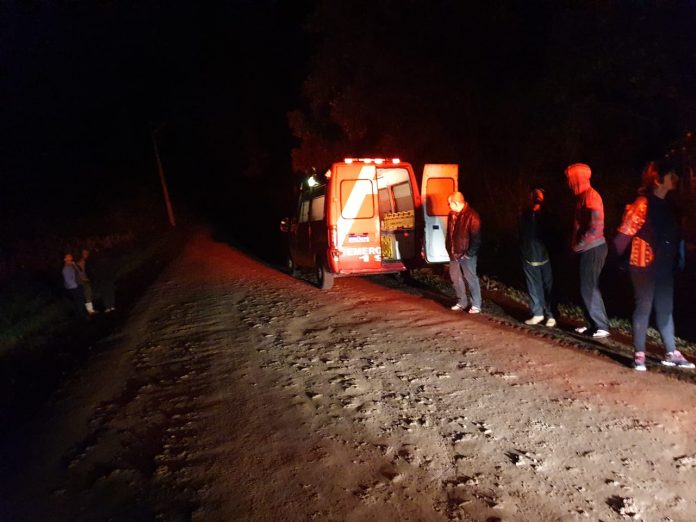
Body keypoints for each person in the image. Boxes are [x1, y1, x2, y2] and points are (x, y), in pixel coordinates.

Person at [614, 162, 694, 371]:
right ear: (658, 180)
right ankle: (639, 354)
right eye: (671, 175)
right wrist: (617, 261)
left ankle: (671, 352)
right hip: (643, 264)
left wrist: (679, 258)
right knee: (644, 306)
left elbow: (676, 236)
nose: (675, 178)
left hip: (665, 266)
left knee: (665, 309)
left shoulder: (671, 206)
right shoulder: (643, 203)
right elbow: (624, 234)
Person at [564, 163, 610, 338]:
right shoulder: (581, 197)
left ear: (577, 179)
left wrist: (579, 245)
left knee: (588, 286)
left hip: (593, 247)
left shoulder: (591, 196)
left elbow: (595, 227)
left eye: (570, 179)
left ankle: (601, 325)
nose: (568, 183)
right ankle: (592, 324)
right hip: (586, 248)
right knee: (584, 286)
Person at [519, 187, 556, 327]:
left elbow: (553, 235)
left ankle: (551, 314)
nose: (536, 200)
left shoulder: (547, 216)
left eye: (539, 197)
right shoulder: (525, 215)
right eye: (535, 196)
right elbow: (521, 234)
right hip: (529, 256)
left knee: (548, 287)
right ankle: (537, 313)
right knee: (533, 287)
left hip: (545, 256)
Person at [446, 191, 482, 314]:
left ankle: (476, 304)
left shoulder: (472, 216)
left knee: (471, 278)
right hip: (454, 253)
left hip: (466, 254)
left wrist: (469, 254)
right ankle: (462, 301)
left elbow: (477, 239)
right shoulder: (451, 215)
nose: (448, 206)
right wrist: (449, 248)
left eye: (449, 203)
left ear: (455, 203)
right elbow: (450, 234)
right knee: (455, 278)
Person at [62, 253, 87, 319]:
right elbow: (68, 280)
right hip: (74, 287)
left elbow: (79, 271)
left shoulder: (72, 265)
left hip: (79, 285)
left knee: (82, 300)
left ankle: (84, 314)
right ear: (65, 259)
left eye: (70, 256)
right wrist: (76, 286)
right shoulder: (66, 268)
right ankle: (83, 316)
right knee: (79, 302)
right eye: (68, 256)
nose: (70, 257)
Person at [75, 248, 97, 315]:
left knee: (89, 295)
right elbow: (80, 273)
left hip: (87, 280)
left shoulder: (87, 261)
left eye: (87, 253)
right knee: (87, 295)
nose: (86, 255)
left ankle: (89, 310)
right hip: (83, 281)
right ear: (82, 254)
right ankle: (90, 311)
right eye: (84, 253)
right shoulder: (80, 262)